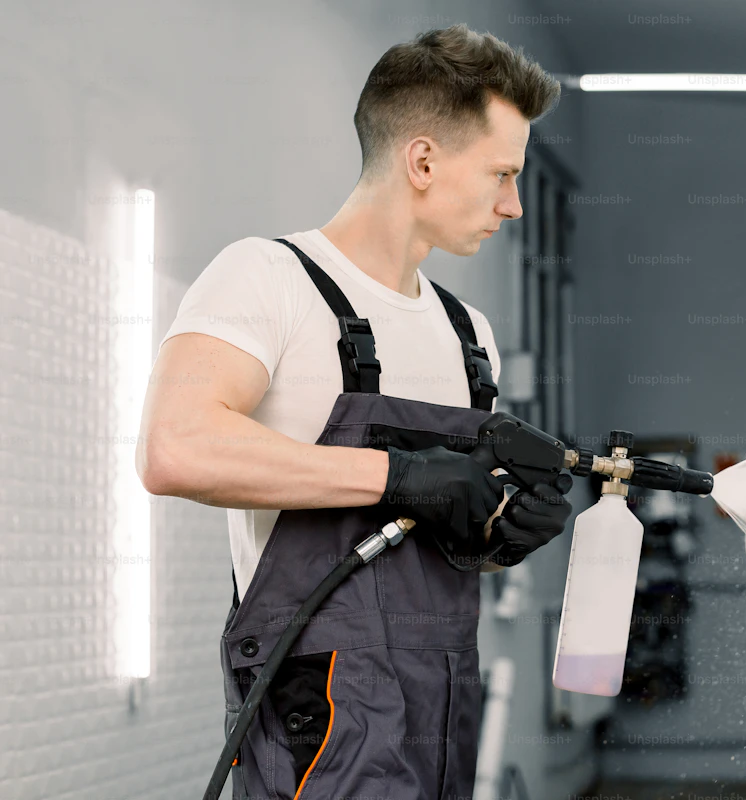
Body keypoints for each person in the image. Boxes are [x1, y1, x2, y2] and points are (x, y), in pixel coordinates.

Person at [136, 25, 570, 800]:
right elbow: (175, 447)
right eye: (502, 175)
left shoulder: (472, 338)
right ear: (425, 160)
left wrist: (499, 539)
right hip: (322, 710)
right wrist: (400, 474)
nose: (513, 206)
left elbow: (420, 537)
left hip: (440, 700)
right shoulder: (269, 279)